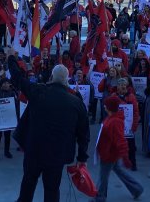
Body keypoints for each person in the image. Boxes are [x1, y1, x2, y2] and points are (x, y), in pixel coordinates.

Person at [6, 49, 90, 202]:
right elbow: (84, 133)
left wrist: (11, 58)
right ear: (67, 80)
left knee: (28, 185)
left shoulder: (38, 91)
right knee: (52, 190)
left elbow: (18, 78)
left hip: (34, 151)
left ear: (51, 77)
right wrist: (82, 157)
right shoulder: (76, 103)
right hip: (56, 155)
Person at [94, 95, 143, 201]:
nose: (104, 107)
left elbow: (121, 141)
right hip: (110, 153)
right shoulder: (112, 118)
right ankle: (136, 188)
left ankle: (100, 197)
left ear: (109, 107)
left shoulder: (114, 121)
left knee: (103, 176)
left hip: (109, 154)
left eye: (106, 105)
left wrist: (125, 158)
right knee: (118, 171)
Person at [0, 78, 17, 162]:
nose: (6, 85)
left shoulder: (12, 93)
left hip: (8, 118)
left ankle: (7, 151)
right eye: (4, 83)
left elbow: (15, 104)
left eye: (7, 83)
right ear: (1, 84)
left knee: (7, 136)